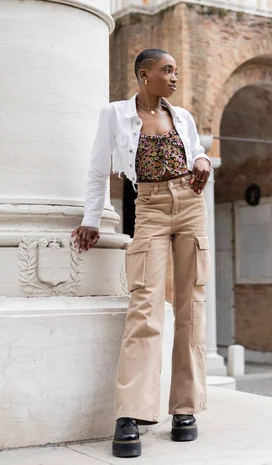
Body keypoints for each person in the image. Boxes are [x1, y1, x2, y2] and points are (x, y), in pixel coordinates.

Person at [72, 48, 212, 458]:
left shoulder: (181, 116)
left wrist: (202, 159)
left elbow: (197, 149)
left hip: (191, 205)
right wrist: (92, 219)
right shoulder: (114, 114)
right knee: (144, 307)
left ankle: (185, 409)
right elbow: (99, 169)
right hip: (148, 207)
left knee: (191, 307)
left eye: (175, 71)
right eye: (166, 71)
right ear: (143, 74)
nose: (173, 77)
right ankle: (130, 413)